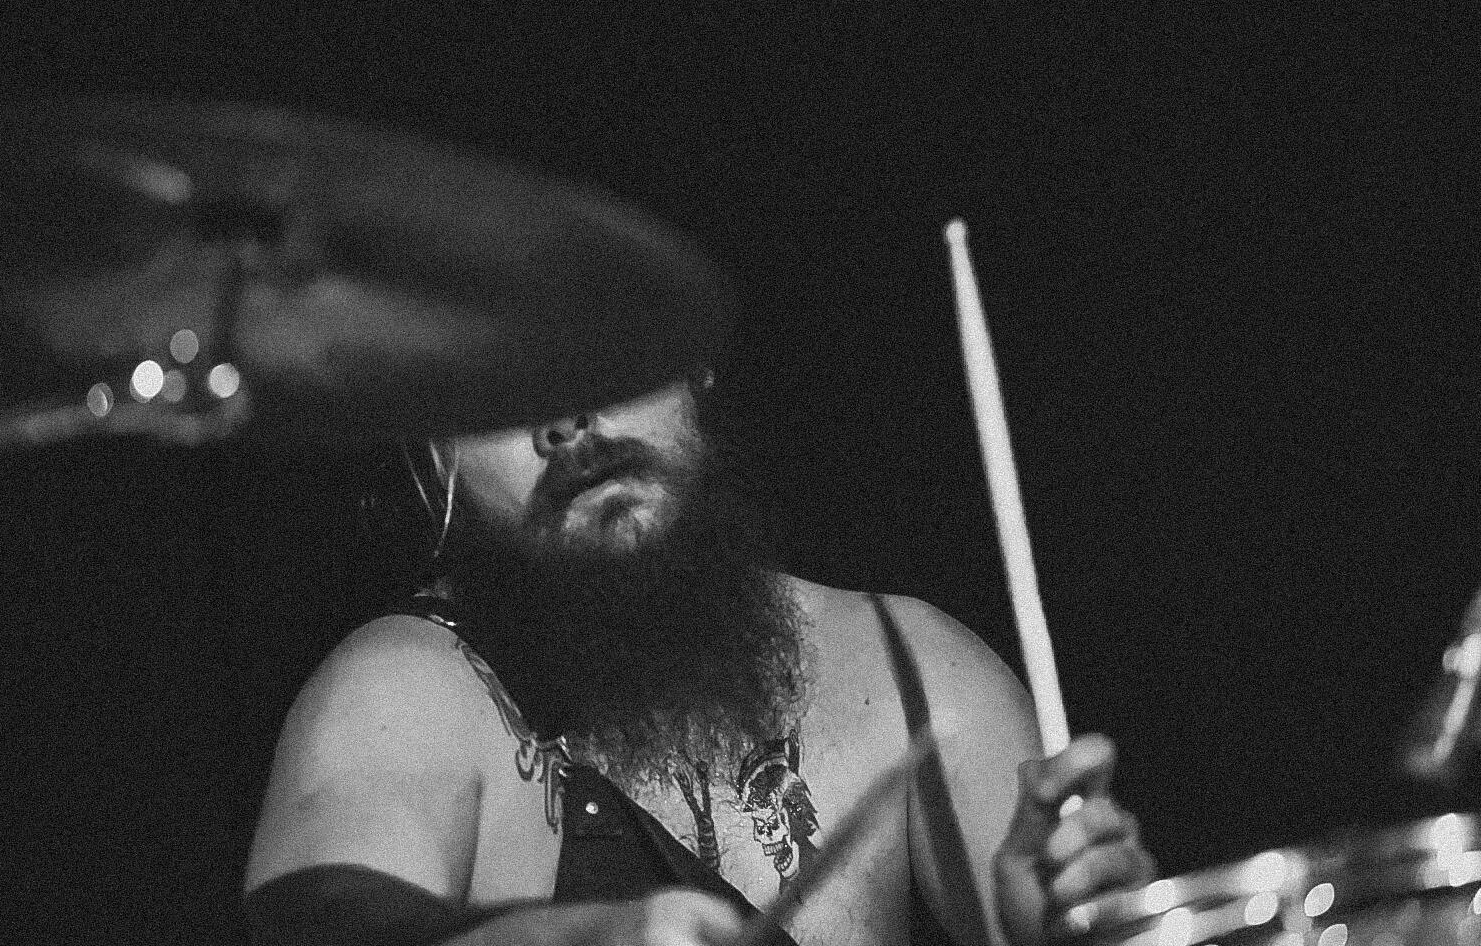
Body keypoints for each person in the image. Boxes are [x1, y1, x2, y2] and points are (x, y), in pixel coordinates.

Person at [243, 371, 1155, 946]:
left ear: (697, 369)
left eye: (607, 351)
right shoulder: (403, 689)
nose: (567, 420)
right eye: (505, 390)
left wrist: (1081, 932)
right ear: (433, 462)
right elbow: (320, 929)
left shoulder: (914, 672)